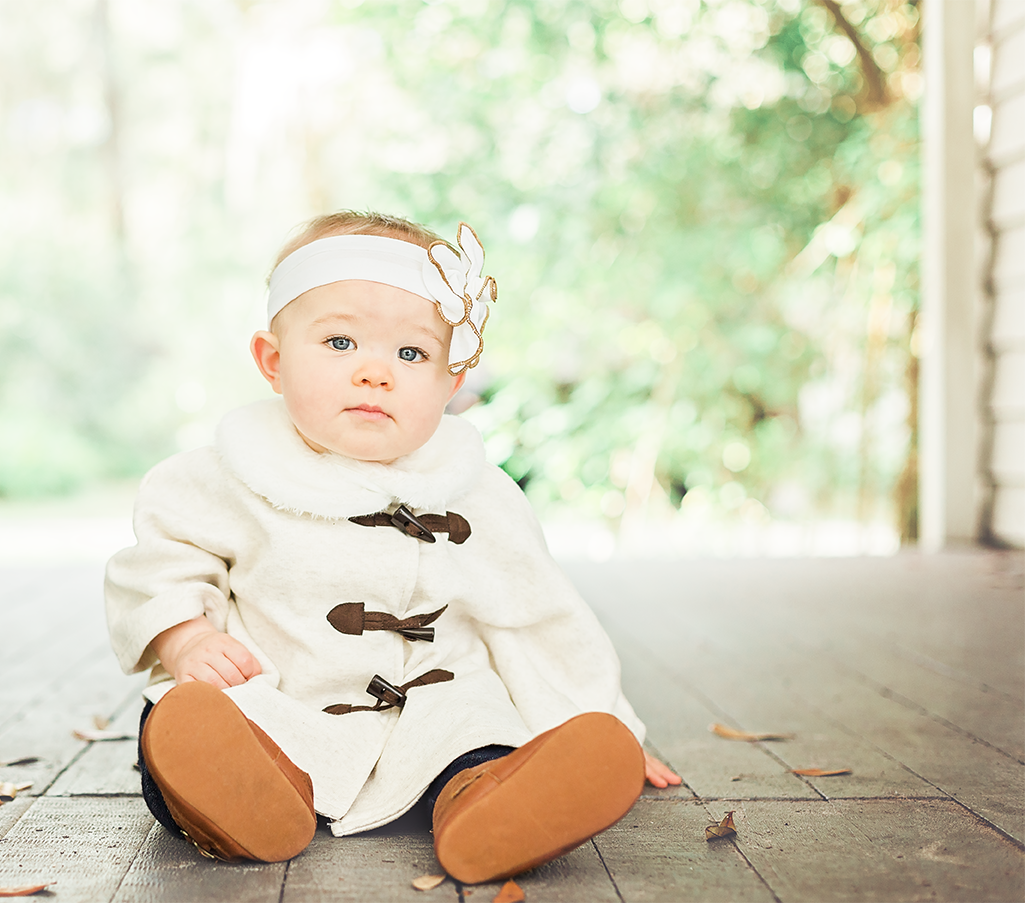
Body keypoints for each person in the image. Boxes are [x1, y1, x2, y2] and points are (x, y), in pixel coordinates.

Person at [103, 211, 681, 884]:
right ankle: (248, 794)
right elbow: (159, 567)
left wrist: (599, 716)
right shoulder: (222, 473)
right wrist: (183, 638)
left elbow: (538, 613)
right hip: (276, 693)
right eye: (340, 341)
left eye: (411, 354)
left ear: (450, 383)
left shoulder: (474, 492)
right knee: (194, 719)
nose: (374, 372)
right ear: (272, 360)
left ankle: (489, 803)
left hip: (435, 707)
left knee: (480, 735)